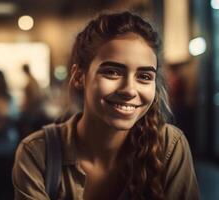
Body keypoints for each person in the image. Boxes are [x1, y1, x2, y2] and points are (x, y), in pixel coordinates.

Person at [12, 11, 199, 200]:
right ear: (79, 76)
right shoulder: (37, 153)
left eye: (144, 76)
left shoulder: (169, 146)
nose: (129, 90)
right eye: (112, 72)